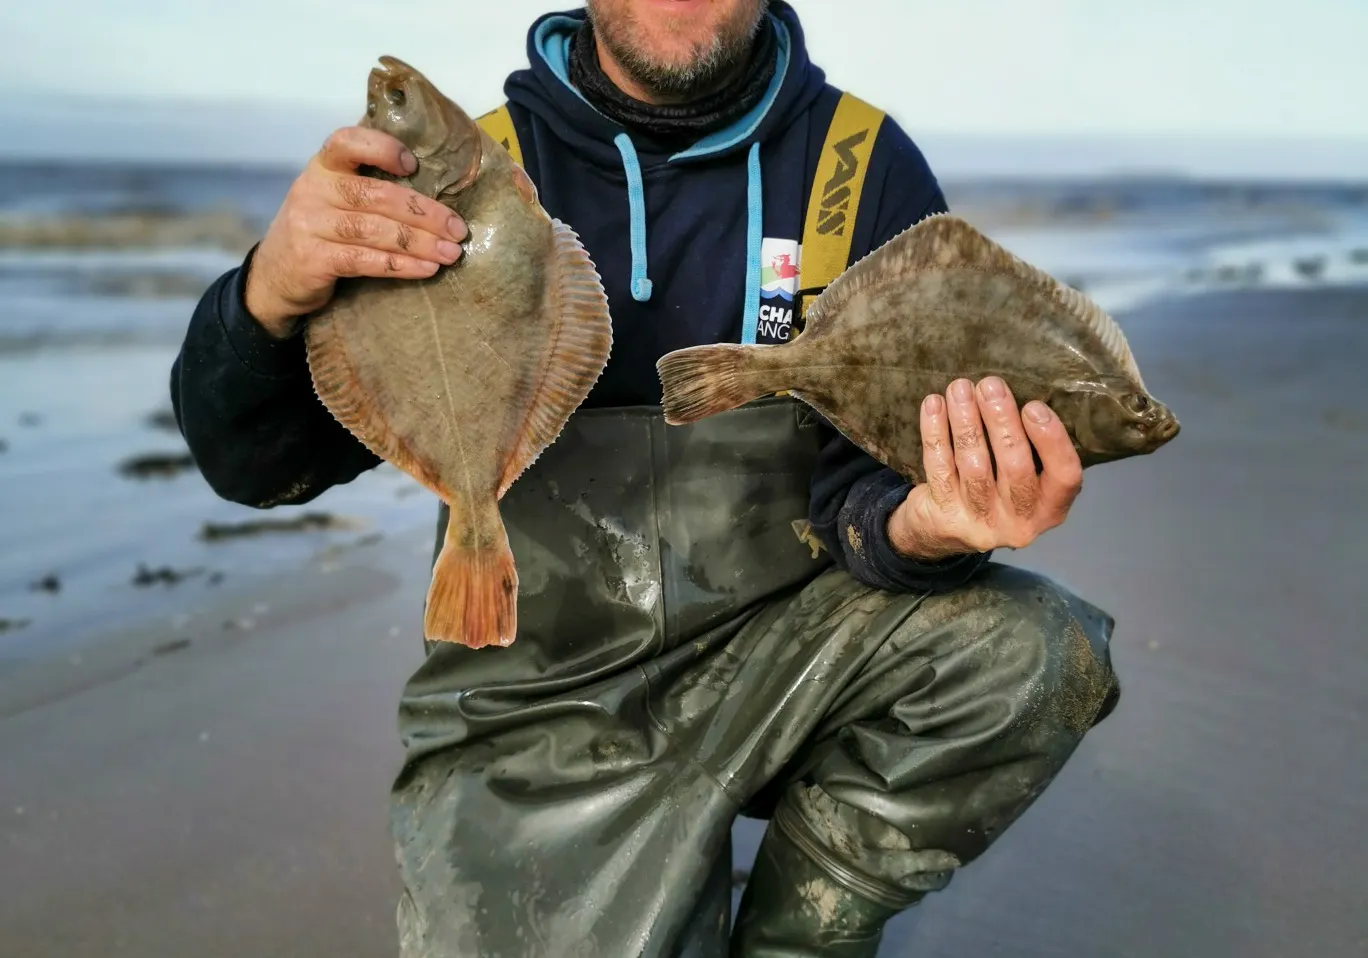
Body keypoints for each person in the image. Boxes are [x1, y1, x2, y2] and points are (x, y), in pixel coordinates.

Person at [171, 1, 1121, 954]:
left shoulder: (858, 167)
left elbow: (862, 500)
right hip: (534, 703)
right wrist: (269, 292)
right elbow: (259, 465)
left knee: (1032, 653)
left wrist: (932, 526)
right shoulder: (446, 189)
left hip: (782, 669)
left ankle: (799, 935)